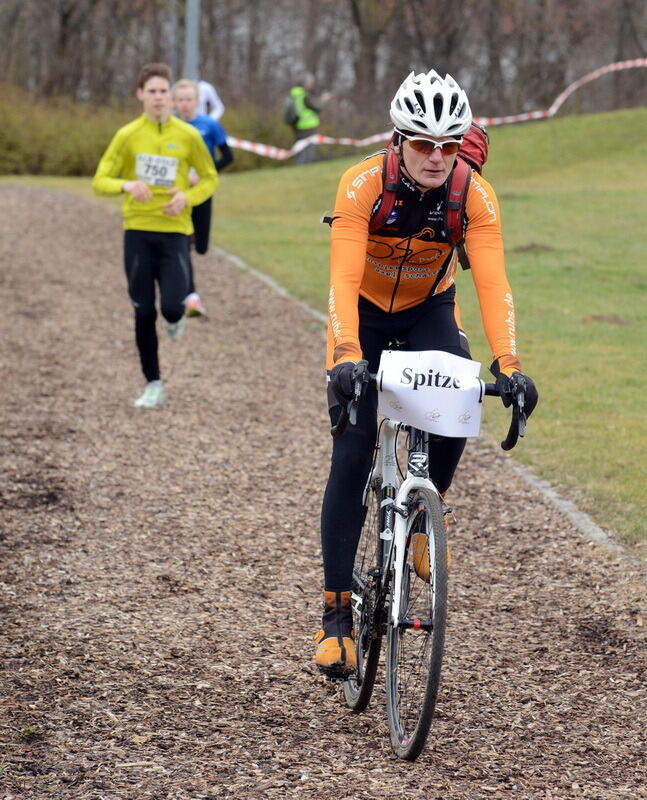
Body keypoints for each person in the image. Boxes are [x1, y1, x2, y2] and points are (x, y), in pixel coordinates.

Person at [313, 69, 539, 677]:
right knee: (353, 451)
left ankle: (419, 517)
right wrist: (344, 356)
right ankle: (336, 614)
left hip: (427, 311)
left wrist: (511, 365)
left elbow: (493, 284)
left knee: (461, 396)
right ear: (398, 140)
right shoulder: (361, 184)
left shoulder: (475, 195)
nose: (437, 157)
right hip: (362, 313)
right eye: (423, 144)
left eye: (448, 145)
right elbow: (340, 277)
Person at [92, 63, 218, 409]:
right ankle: (153, 382)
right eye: (153, 92)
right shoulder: (128, 135)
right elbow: (99, 180)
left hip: (175, 232)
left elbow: (210, 178)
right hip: (137, 231)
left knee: (173, 307)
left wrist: (187, 198)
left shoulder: (188, 135)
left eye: (164, 91)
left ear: (171, 97)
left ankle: (175, 321)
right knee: (143, 311)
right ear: (141, 95)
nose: (159, 97)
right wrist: (127, 184)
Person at [173, 78, 234, 317]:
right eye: (180, 100)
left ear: (197, 102)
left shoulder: (209, 125)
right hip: (179, 194)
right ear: (174, 103)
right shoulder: (171, 126)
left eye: (189, 100)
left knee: (201, 247)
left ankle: (189, 252)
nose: (185, 104)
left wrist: (205, 175)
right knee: (182, 244)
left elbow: (228, 157)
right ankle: (189, 294)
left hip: (203, 190)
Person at [285, 73, 330, 166]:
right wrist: (323, 100)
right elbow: (317, 107)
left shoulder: (294, 94)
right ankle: (302, 167)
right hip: (307, 126)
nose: (311, 85)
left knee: (299, 149)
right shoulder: (304, 95)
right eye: (310, 83)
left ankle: (299, 167)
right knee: (307, 150)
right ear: (305, 84)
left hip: (297, 126)